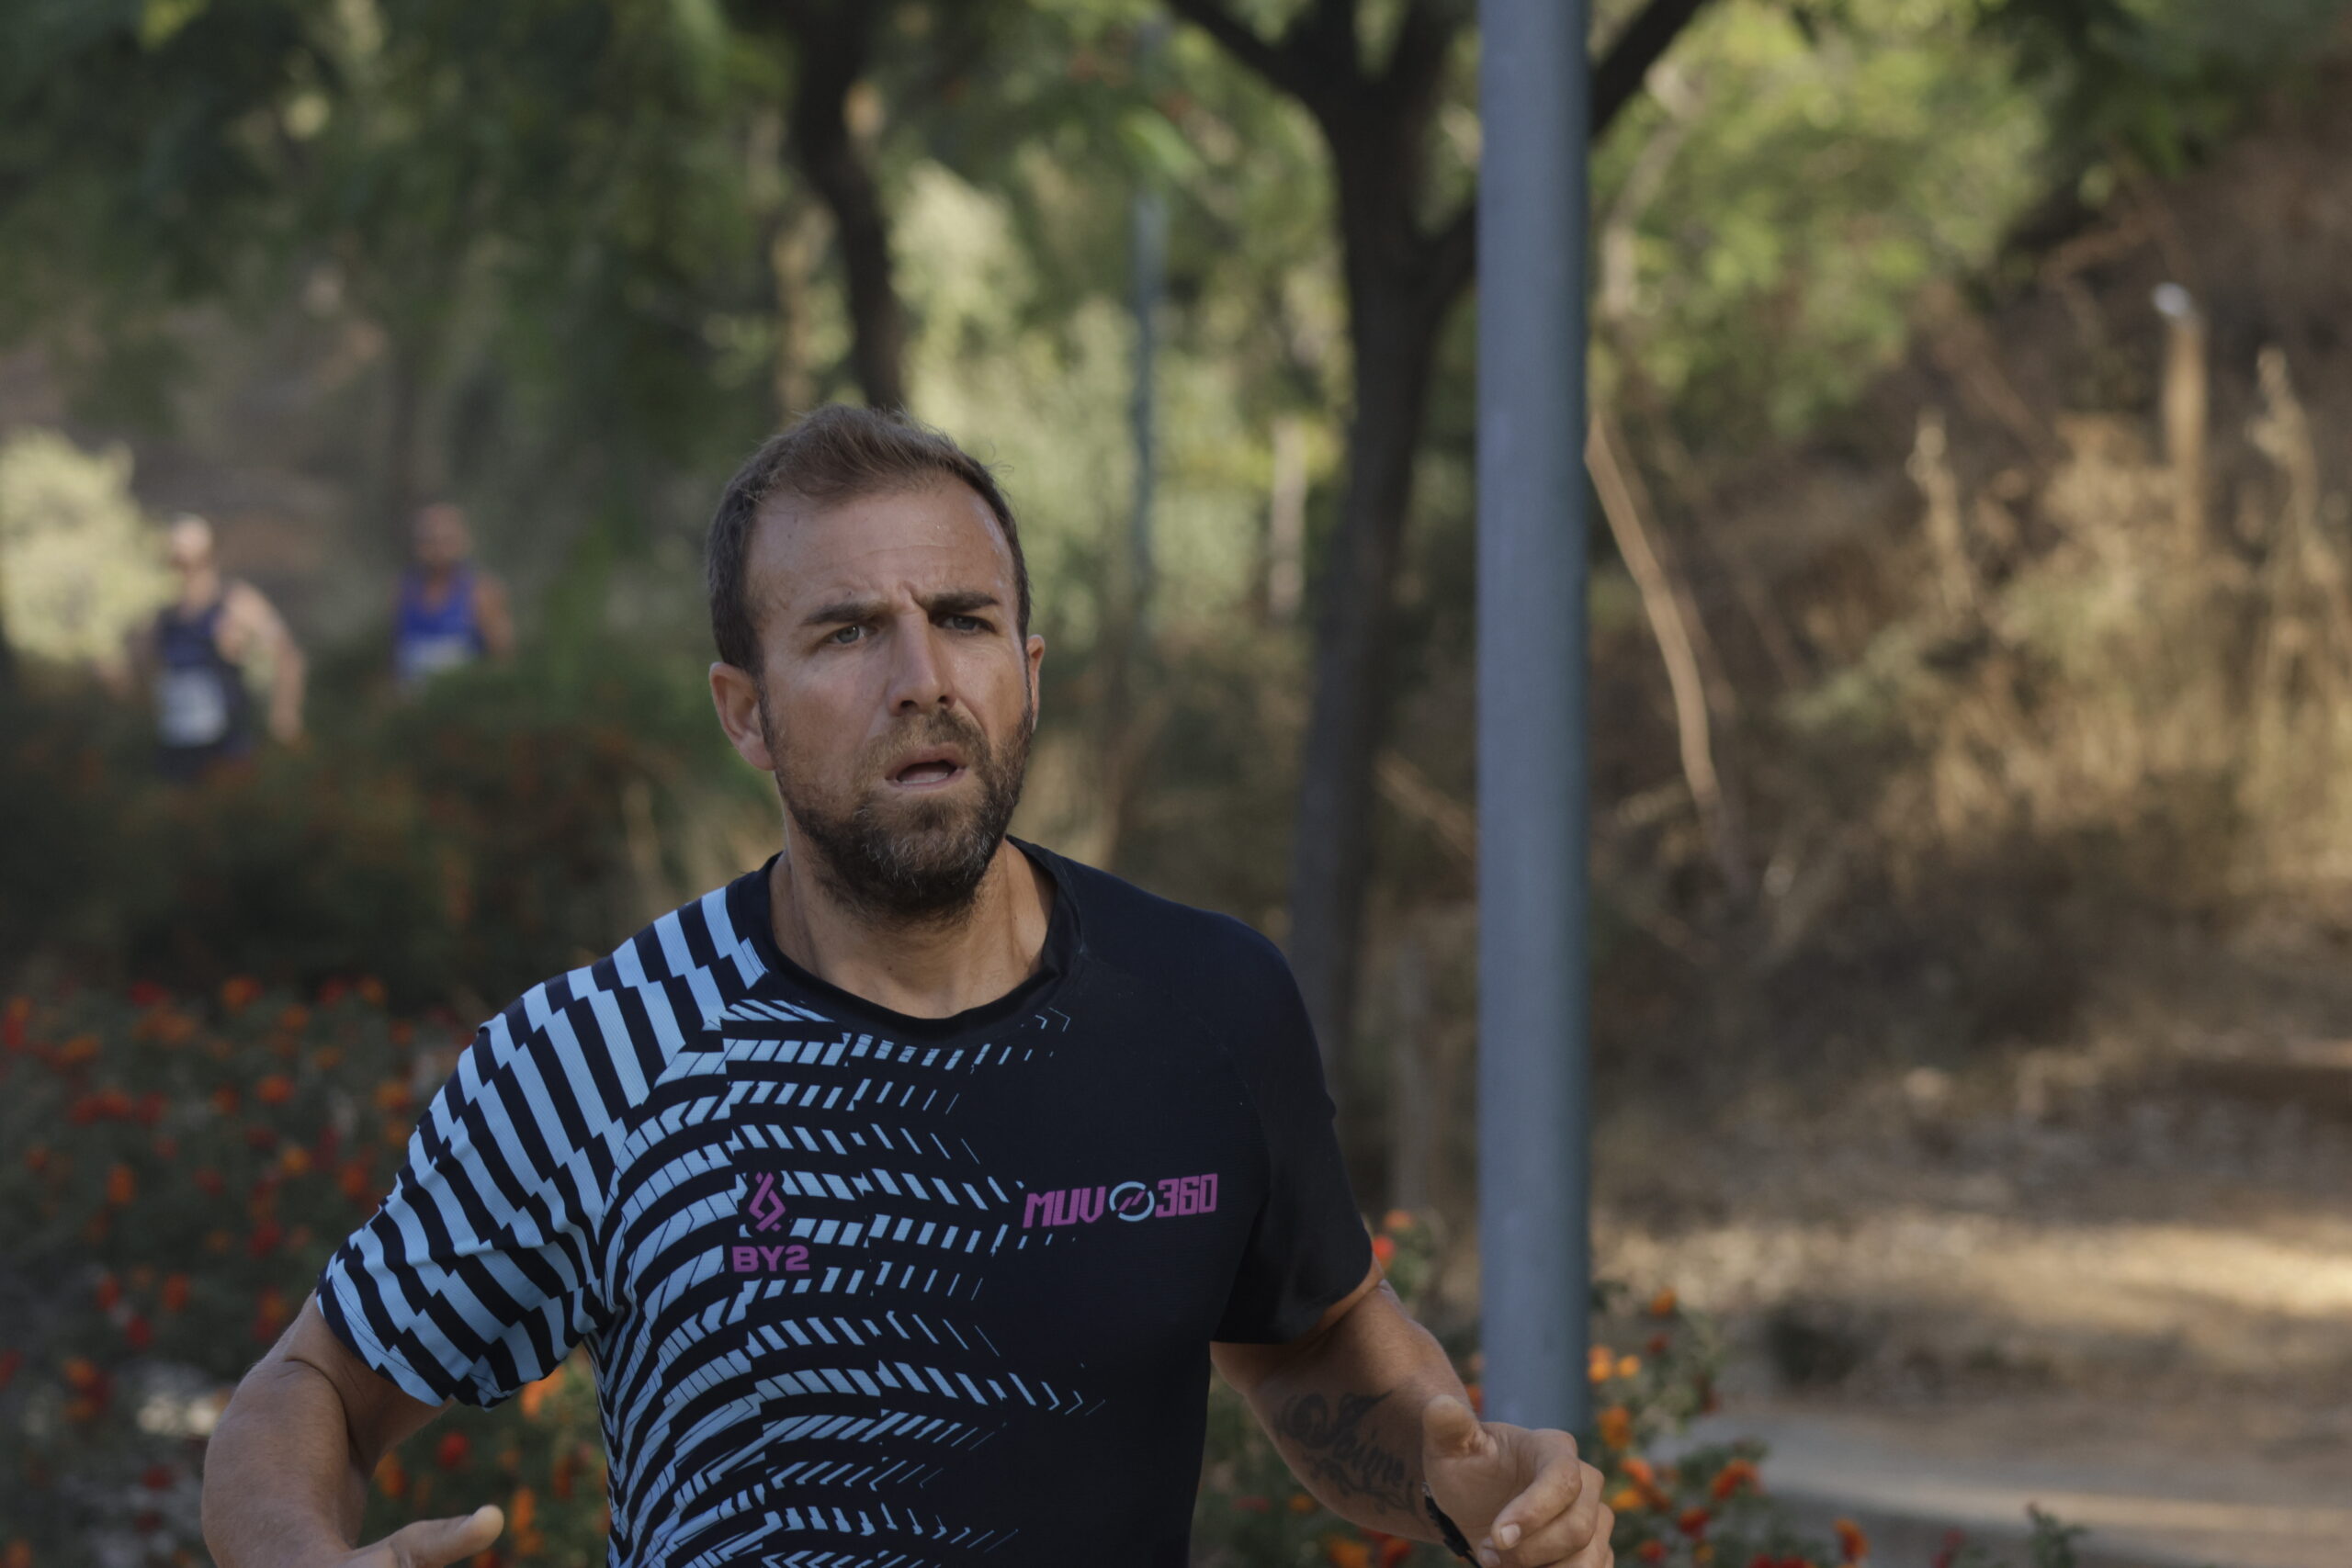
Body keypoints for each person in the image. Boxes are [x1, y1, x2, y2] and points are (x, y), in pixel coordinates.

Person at [199, 407, 1612, 1568]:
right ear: (744, 711)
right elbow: (309, 1389)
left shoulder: (1204, 1003)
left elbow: (1311, 1341)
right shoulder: (601, 1055)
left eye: (964, 618)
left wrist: (1464, 1484)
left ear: (1028, 673)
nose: (923, 675)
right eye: (847, 632)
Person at [124, 513, 305, 782]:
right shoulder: (162, 619)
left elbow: (287, 654)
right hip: (177, 747)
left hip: (228, 747)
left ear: (210, 557)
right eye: (176, 561)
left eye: (193, 561)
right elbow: (140, 677)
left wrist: (284, 714)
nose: (185, 570)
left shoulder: (236, 603)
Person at [392, 501, 513, 689]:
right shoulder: (404, 591)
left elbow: (504, 659)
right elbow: (396, 656)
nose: (438, 549)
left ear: (464, 541)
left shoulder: (482, 592)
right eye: (429, 540)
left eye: (446, 540)